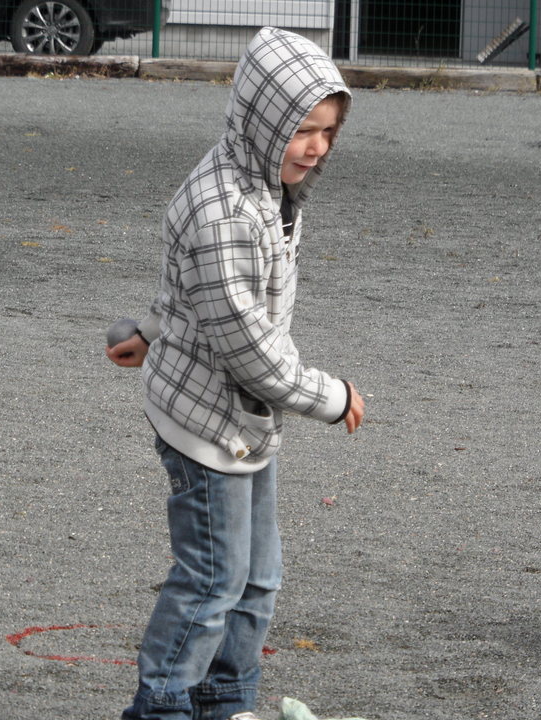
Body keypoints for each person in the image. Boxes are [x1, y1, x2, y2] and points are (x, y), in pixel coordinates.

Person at [105, 26, 365, 720]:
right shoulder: (222, 209)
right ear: (260, 120)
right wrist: (329, 395)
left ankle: (225, 703)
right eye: (302, 129)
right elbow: (247, 344)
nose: (315, 146)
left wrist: (151, 330)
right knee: (212, 578)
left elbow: (193, 295)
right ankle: (159, 707)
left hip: (245, 422)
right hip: (205, 425)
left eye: (328, 131)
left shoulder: (269, 187)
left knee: (259, 579)